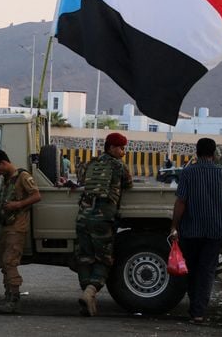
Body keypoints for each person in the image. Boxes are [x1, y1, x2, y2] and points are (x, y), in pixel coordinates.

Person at [170, 137, 222, 323]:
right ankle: (198, 312)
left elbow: (181, 202)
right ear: (214, 153)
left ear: (197, 152)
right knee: (207, 271)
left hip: (191, 229)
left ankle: (194, 308)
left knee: (192, 269)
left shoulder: (188, 172)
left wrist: (174, 226)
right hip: (215, 229)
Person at [75, 132, 133, 317]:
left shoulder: (91, 163)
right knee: (104, 259)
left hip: (83, 217)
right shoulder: (119, 166)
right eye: (121, 148)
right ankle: (90, 292)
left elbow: (81, 180)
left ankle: (87, 296)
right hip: (103, 219)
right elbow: (129, 185)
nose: (123, 152)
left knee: (84, 257)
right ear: (111, 148)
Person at [0, 149, 41, 314]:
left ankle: (14, 300)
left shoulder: (23, 176)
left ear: (3, 163)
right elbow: (6, 199)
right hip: (6, 226)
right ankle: (8, 297)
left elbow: (37, 196)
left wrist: (18, 205)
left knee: (10, 262)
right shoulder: (6, 179)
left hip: (17, 227)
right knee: (4, 264)